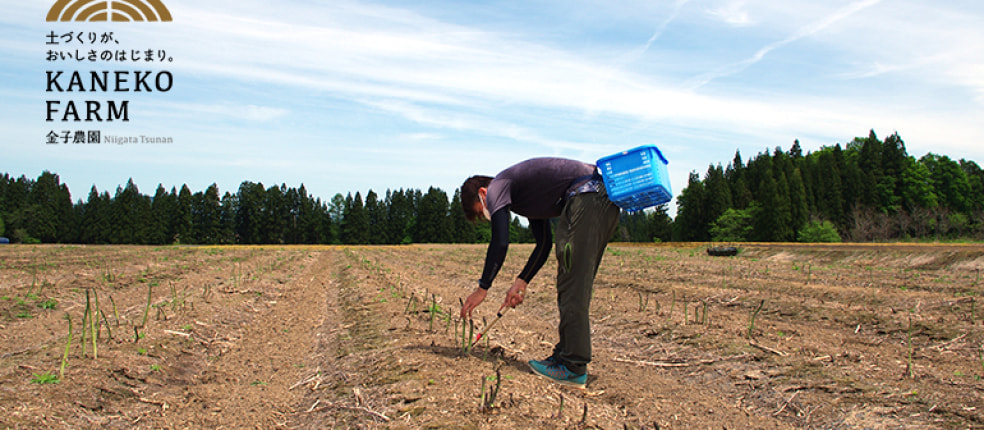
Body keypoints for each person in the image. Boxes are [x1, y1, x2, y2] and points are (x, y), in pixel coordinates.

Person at [459, 157, 620, 389]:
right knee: (570, 280)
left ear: (483, 193)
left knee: (573, 282)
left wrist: (482, 288)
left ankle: (573, 367)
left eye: (482, 209)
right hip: (597, 197)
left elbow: (501, 241)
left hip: (588, 195)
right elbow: (543, 243)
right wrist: (521, 281)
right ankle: (564, 356)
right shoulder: (526, 197)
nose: (488, 213)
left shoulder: (497, 187)